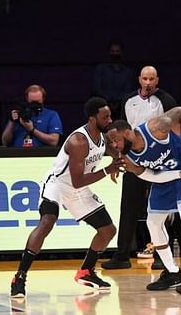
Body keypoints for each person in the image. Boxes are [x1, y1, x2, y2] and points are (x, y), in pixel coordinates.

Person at [10, 97, 125, 298]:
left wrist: (118, 159)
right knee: (47, 222)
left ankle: (86, 271)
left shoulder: (102, 137)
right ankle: (20, 277)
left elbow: (110, 151)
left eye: (109, 116)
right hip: (58, 184)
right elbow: (78, 180)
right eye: (105, 117)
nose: (109, 120)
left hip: (77, 189)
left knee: (108, 230)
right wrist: (107, 170)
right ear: (92, 118)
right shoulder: (78, 141)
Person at [107, 106, 181, 294]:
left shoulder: (155, 128)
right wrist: (178, 174)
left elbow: (179, 111)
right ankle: (173, 272)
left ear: (128, 133)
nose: (114, 146)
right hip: (167, 176)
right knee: (153, 223)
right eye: (112, 142)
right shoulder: (126, 157)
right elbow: (148, 175)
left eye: (116, 140)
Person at [101, 65, 179, 270]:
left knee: (160, 209)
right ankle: (122, 255)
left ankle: (162, 256)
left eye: (152, 79)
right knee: (128, 208)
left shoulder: (166, 100)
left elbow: (175, 128)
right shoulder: (128, 100)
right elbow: (118, 132)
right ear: (139, 80)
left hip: (158, 160)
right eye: (145, 78)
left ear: (157, 80)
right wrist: (118, 159)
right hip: (134, 160)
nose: (148, 83)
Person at [91, 41, 135, 118]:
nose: (115, 54)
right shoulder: (100, 69)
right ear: (109, 53)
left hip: (121, 109)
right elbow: (96, 88)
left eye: (117, 51)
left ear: (121, 53)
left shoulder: (128, 72)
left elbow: (128, 90)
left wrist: (117, 102)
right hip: (102, 107)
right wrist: (108, 100)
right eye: (113, 51)